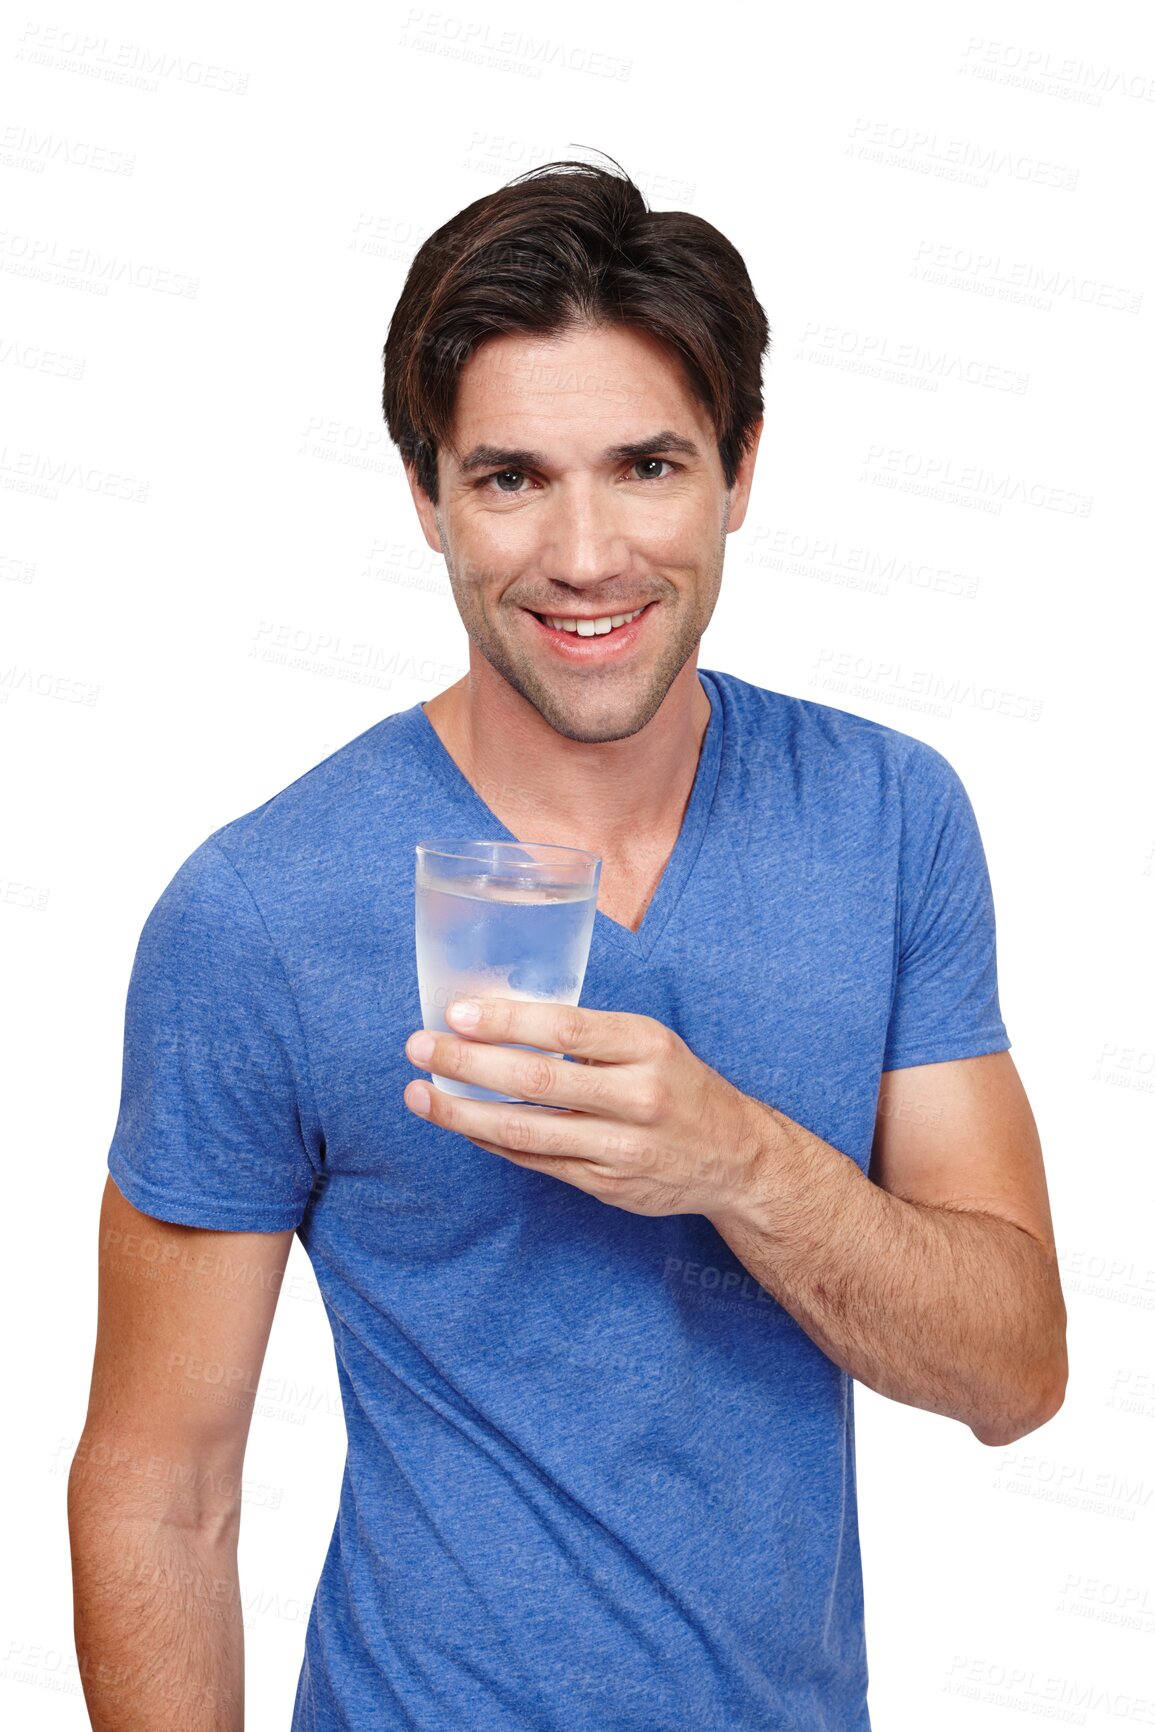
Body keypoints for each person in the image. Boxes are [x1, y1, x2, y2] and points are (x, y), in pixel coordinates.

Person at [68, 155, 1067, 1731]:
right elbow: (161, 1485)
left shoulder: (888, 819)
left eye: (648, 467)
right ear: (426, 499)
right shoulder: (260, 911)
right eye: (513, 477)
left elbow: (1014, 1373)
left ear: (741, 469)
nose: (588, 555)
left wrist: (739, 1159)